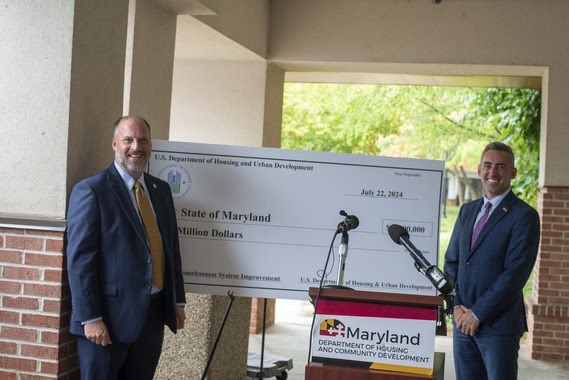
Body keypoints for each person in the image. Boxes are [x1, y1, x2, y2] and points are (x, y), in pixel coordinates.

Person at [66, 115, 186, 379]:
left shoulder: (161, 190)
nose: (136, 147)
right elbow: (80, 261)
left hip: (151, 319)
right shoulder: (92, 191)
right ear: (114, 144)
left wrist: (177, 300)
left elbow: (171, 250)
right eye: (128, 140)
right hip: (106, 322)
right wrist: (90, 318)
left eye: (142, 140)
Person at [444, 141, 540, 380]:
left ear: (513, 173)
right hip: (461, 321)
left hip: (498, 327)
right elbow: (452, 262)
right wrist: (455, 308)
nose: (492, 172)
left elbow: (515, 274)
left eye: (501, 167)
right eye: (487, 165)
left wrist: (477, 315)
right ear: (478, 169)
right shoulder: (467, 211)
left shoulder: (524, 216)